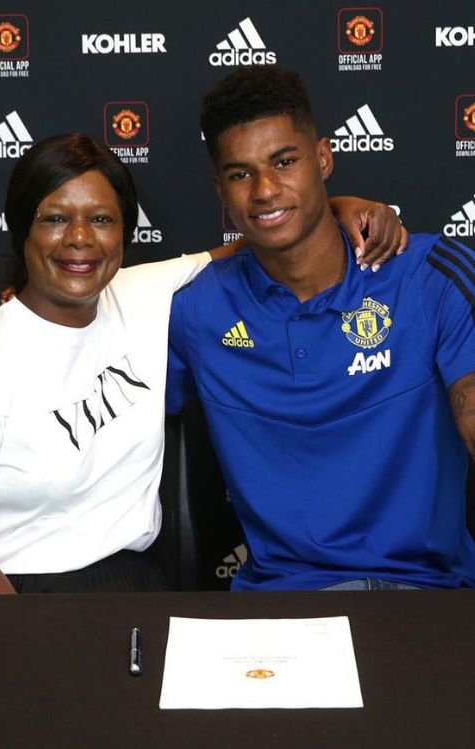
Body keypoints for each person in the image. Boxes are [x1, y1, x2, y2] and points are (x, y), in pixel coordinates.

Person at [0, 131, 404, 594]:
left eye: (101, 219)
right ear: (23, 229)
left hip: (135, 583)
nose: (79, 239)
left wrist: (341, 206)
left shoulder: (144, 291)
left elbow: (269, 238)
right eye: (55, 219)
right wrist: (19, 643)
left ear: (124, 231)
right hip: (17, 592)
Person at [167, 65, 475, 591]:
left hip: (426, 597)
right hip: (280, 605)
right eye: (241, 174)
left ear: (324, 159)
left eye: (284, 162)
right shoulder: (196, 310)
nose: (265, 190)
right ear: (220, 187)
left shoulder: (429, 276)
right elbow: (83, 367)